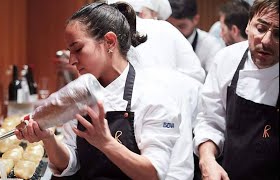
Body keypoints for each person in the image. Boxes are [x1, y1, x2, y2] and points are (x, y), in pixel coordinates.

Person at [15, 2, 191, 179]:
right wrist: (48, 138)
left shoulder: (153, 97)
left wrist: (105, 142)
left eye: (77, 49)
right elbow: (71, 162)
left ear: (109, 41)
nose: (71, 61)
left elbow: (153, 173)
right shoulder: (80, 94)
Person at [193, 0, 279, 179]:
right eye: (261, 28)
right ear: (248, 25)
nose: (266, 41)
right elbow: (210, 120)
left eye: (278, 34)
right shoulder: (226, 60)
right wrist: (207, 159)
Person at [108, 0, 206, 83]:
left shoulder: (104, 30)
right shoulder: (165, 28)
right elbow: (197, 76)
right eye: (157, 17)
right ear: (144, 13)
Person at [167, 0, 224, 74]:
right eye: (170, 25)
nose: (175, 31)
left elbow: (214, 80)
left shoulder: (211, 46)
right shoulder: (161, 40)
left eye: (181, 26)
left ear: (195, 19)